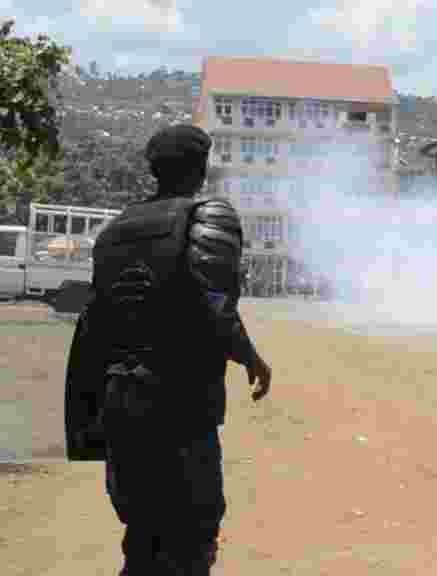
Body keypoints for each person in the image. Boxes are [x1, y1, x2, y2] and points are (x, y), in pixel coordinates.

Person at [65, 124, 272, 575]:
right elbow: (215, 305)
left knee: (142, 534)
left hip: (120, 402)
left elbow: (97, 319)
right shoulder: (207, 216)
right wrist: (250, 355)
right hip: (179, 401)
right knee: (192, 535)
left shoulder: (114, 230)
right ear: (200, 168)